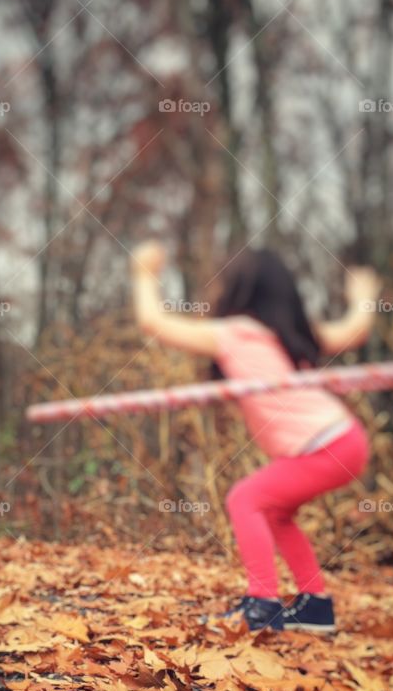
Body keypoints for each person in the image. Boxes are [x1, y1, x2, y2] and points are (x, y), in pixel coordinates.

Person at [131, 240, 379, 632]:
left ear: (238, 289)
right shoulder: (290, 333)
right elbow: (355, 330)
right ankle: (315, 607)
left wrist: (145, 272)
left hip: (326, 444)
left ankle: (262, 604)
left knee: (244, 498)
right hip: (342, 440)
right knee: (276, 513)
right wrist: (363, 296)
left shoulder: (236, 333)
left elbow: (154, 324)